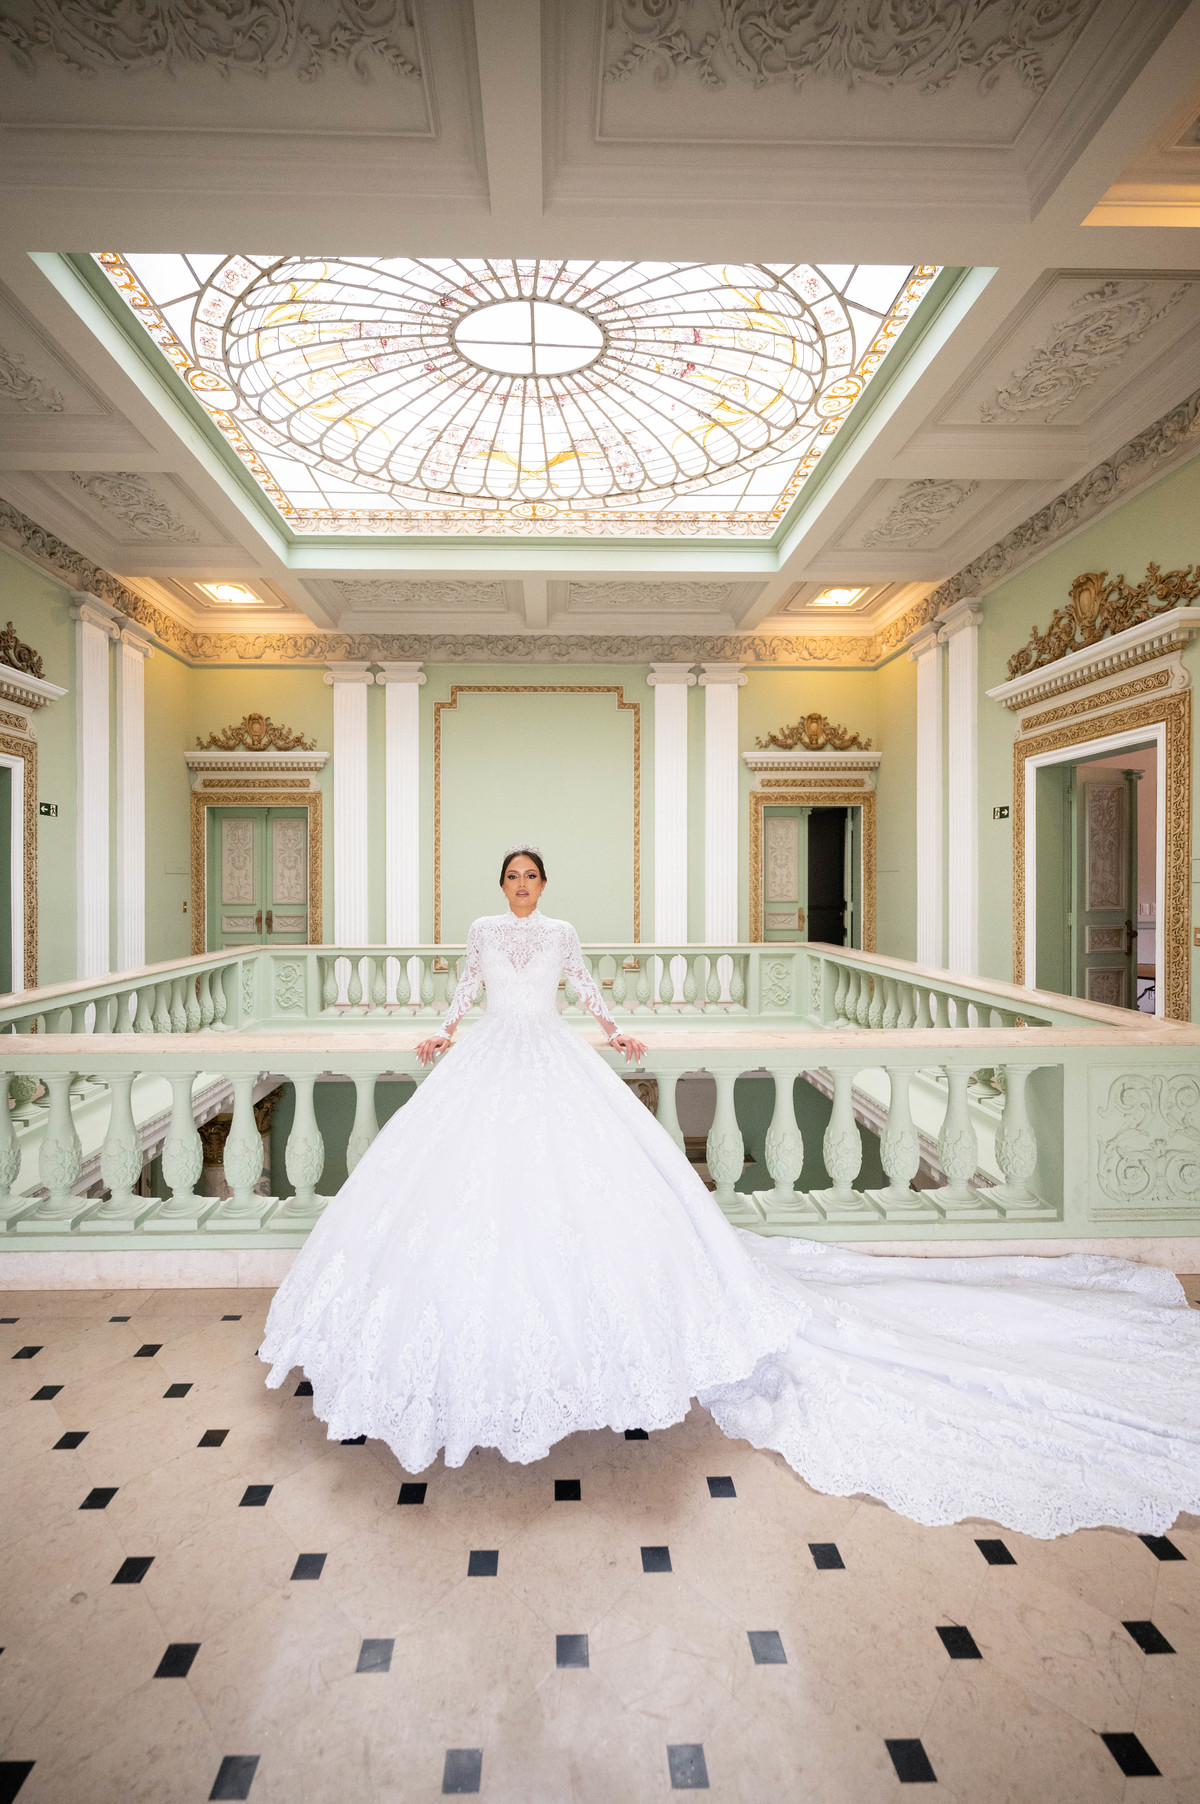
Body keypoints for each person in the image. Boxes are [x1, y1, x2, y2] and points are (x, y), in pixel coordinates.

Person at [260, 847, 1200, 1538]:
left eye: (530, 878)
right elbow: (461, 993)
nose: (519, 889)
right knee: (463, 1202)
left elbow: (585, 988)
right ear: (496, 886)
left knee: (594, 1200)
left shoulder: (560, 935)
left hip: (553, 1063)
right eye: (509, 878)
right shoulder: (478, 935)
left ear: (546, 885)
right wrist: (436, 1037)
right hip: (486, 1067)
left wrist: (620, 1034)